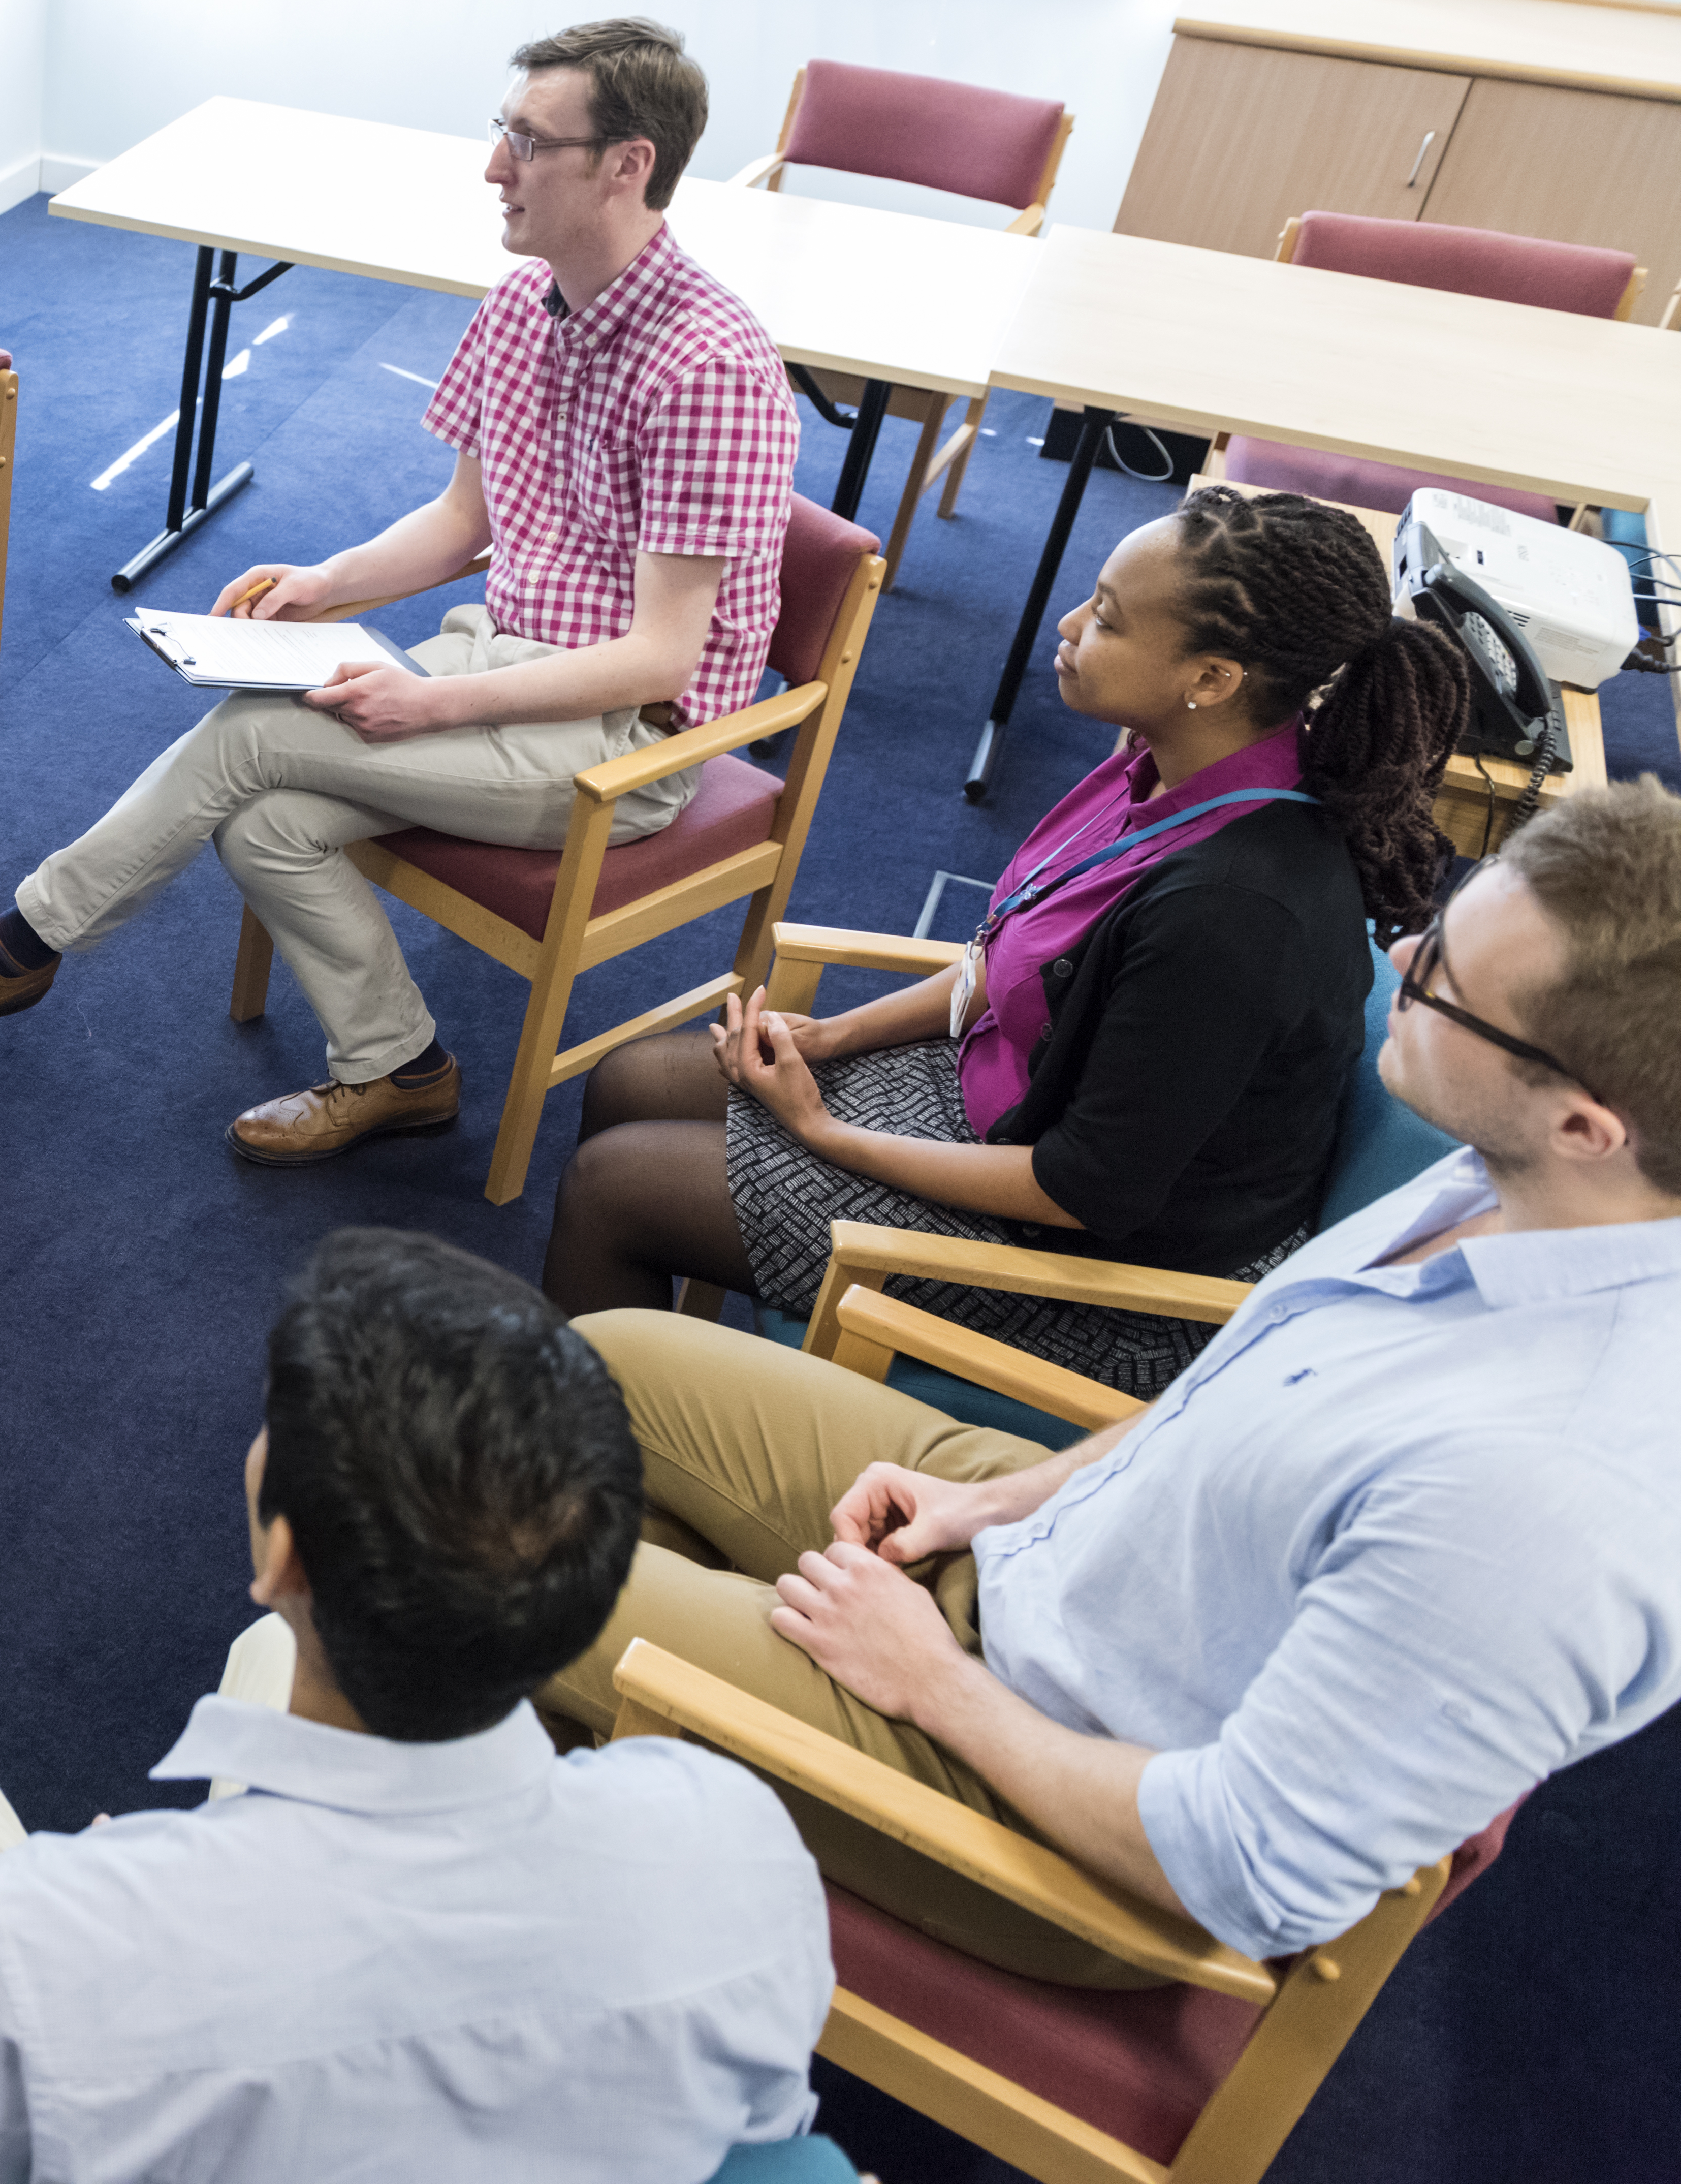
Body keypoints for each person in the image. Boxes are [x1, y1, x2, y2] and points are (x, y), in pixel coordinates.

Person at [540, 779, 1681, 1985]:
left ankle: (562, 1863)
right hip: (1058, 1551)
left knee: (473, 1541)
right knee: (592, 1368)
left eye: (1440, 972)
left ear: (1583, 1125)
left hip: (1062, 1797)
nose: (1397, 952)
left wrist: (930, 1682)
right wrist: (993, 1501)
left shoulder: (1546, 1498)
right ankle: (595, 1822)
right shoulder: (1499, 1184)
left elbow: (1242, 1867)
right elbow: (1228, 1401)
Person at [0, 18, 803, 1168]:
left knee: (248, 743)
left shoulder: (709, 368)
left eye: (528, 143)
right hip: (496, 657)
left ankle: (14, 947)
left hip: (615, 741)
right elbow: (462, 521)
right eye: (503, 132)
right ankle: (402, 1070)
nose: (494, 166)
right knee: (270, 824)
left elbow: (661, 660)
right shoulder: (525, 304)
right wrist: (323, 585)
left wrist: (429, 704)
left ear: (626, 164)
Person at [0, 1230, 829, 2182]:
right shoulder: (736, 1845)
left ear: (284, 1554)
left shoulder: (39, 1940)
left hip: (90, 2003)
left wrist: (106, 1900)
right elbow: (767, 2149)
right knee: (259, 1660)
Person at [543, 485, 1471, 1392]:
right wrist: (832, 1039)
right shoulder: (1166, 766)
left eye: (1106, 619)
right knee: (628, 1081)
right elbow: (1022, 957)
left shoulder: (1235, 913)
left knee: (613, 1190)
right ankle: (660, 1407)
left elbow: (1084, 1191)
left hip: (1112, 1276)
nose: (1069, 626)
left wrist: (819, 1126)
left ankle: (589, 1492)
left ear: (1214, 678)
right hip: (1022, 1098)